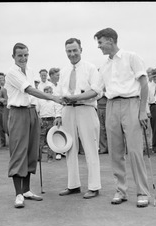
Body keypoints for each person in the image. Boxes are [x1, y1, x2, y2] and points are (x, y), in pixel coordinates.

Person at [94, 28, 150, 207]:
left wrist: (142, 111)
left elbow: (144, 85)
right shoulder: (104, 66)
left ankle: (142, 192)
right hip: (111, 106)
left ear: (110, 40)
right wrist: (72, 97)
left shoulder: (131, 57)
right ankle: (121, 190)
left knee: (134, 151)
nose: (99, 46)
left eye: (100, 42)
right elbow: (96, 90)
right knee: (115, 152)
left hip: (131, 104)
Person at [4, 42, 62, 208]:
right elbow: (29, 90)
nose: (23, 58)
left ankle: (27, 190)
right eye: (20, 55)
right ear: (13, 57)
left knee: (31, 151)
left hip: (32, 112)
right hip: (17, 113)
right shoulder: (11, 73)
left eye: (26, 55)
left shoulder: (30, 70)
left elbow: (32, 96)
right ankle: (18, 194)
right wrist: (52, 97)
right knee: (18, 151)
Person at [53, 37, 102, 200]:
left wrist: (75, 98)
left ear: (81, 49)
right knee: (69, 148)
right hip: (68, 111)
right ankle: (73, 185)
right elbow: (60, 93)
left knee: (90, 148)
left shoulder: (90, 68)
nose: (72, 54)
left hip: (85, 109)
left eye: (75, 50)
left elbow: (96, 91)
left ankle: (94, 187)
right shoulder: (65, 70)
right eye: (69, 51)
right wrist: (59, 114)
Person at [36, 86, 58, 162]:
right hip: (43, 121)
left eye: (49, 92)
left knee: (50, 140)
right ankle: (38, 157)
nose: (48, 93)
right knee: (40, 140)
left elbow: (56, 112)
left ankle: (50, 157)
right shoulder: (40, 101)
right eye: (46, 92)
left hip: (51, 120)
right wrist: (39, 119)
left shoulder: (54, 101)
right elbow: (37, 111)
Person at [49, 67, 64, 160]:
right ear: (51, 75)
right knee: (51, 133)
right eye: (57, 75)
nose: (59, 76)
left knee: (59, 131)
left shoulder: (60, 85)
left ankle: (61, 151)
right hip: (49, 112)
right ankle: (54, 152)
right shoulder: (46, 85)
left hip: (59, 111)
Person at [97, 90, 108, 154]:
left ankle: (110, 148)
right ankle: (103, 148)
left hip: (108, 106)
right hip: (99, 106)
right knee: (101, 128)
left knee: (109, 128)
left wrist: (102, 93)